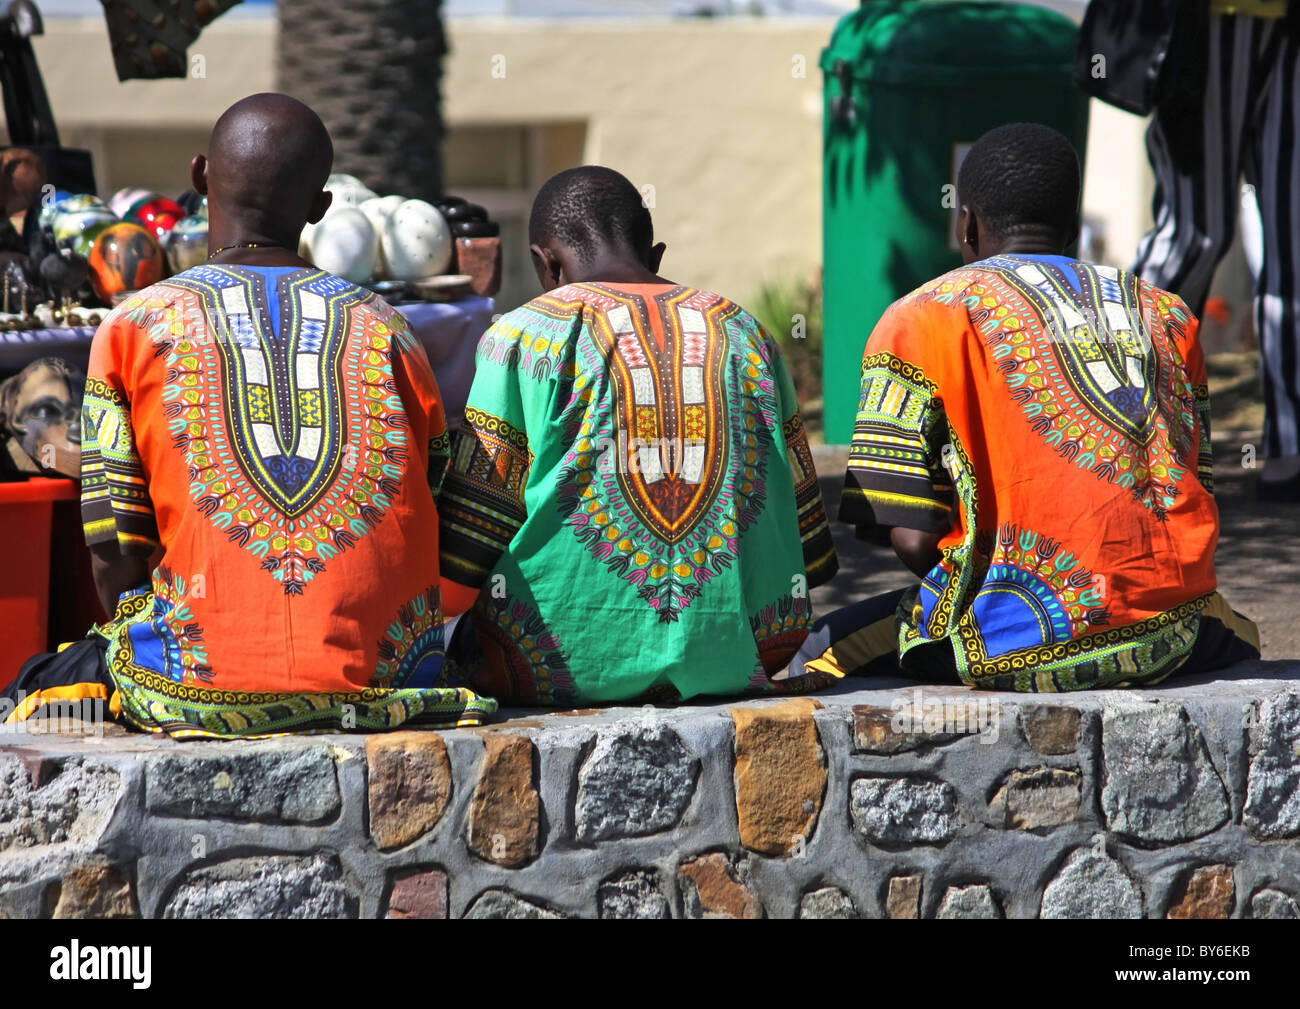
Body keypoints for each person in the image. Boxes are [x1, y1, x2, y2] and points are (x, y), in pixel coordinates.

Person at [1, 93, 495, 737]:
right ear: (320, 208)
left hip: (195, 685)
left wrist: (157, 630)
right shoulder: (391, 330)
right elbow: (432, 505)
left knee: (36, 691)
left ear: (201, 175)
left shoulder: (132, 327)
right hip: (390, 681)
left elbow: (112, 543)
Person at [791, 123, 1259, 691]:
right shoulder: (1166, 314)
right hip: (1183, 635)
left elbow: (912, 539)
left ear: (966, 223)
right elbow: (1192, 484)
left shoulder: (921, 317)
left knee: (814, 655)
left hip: (1018, 638)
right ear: (1070, 222)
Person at [437, 166, 837, 704]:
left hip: (543, 664)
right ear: (657, 254)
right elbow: (812, 552)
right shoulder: (745, 332)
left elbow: (465, 553)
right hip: (741, 655)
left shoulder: (520, 336)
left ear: (545, 263)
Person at [1117, 0, 1300, 501]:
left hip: (1285, 28)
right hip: (1206, 23)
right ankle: (1117, 418)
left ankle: (1290, 446)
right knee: (1194, 234)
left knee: (1294, 242)